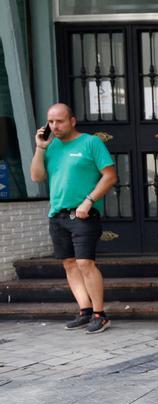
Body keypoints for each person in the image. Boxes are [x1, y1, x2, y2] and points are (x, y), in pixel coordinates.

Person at [29, 103, 118, 334]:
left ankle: (100, 314)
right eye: (50, 122)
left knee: (85, 263)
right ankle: (85, 311)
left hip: (83, 214)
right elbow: (37, 177)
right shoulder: (51, 146)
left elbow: (109, 177)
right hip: (57, 215)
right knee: (69, 264)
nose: (54, 126)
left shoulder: (91, 143)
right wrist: (40, 148)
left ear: (72, 121)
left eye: (59, 121)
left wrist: (89, 201)